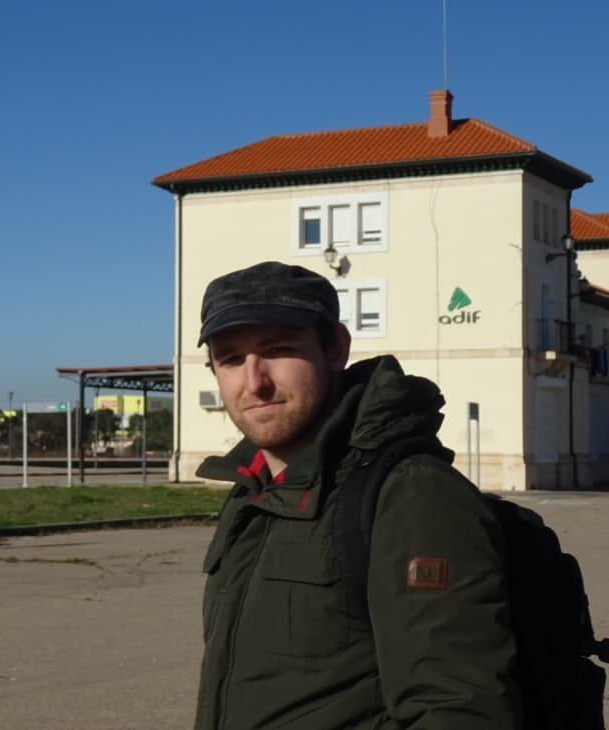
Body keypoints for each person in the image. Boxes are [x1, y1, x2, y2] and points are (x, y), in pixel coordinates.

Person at [193, 261, 520, 729]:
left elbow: (456, 708)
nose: (254, 382)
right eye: (230, 359)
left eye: (278, 350)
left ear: (335, 349)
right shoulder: (252, 491)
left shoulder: (411, 494)